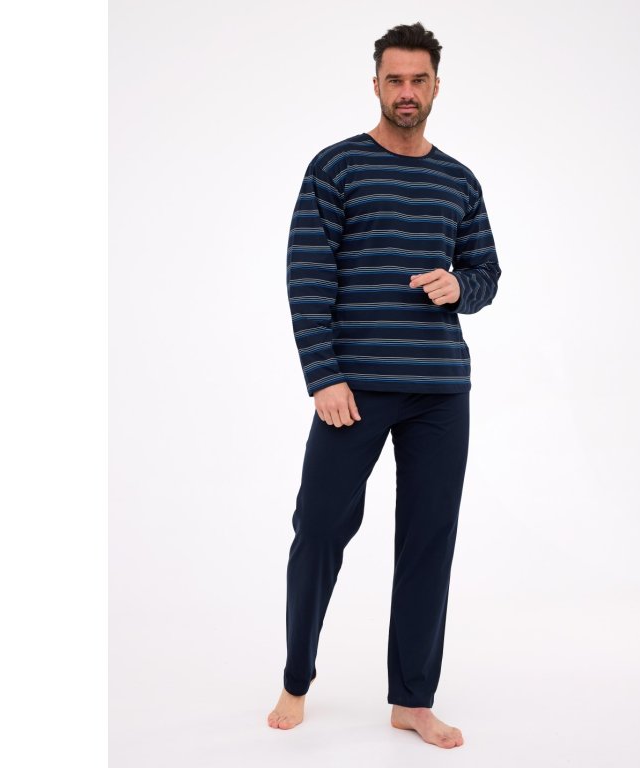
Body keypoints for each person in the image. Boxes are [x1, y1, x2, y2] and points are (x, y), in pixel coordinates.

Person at [267, 21, 501, 750]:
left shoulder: (459, 180)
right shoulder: (335, 167)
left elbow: (486, 273)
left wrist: (459, 286)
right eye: (394, 79)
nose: (406, 91)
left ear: (436, 86)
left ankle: (412, 700)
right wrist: (324, 375)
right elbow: (308, 277)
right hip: (354, 389)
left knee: (429, 541)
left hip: (440, 390)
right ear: (375, 84)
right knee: (319, 530)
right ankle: (296, 679)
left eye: (418, 80)